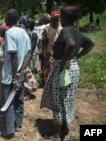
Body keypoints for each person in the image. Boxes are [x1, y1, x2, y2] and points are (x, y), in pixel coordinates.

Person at [40, 6, 94, 141]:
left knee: (58, 100)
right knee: (67, 98)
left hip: (63, 69)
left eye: (61, 17)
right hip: (73, 68)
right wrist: (76, 57)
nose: (60, 20)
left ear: (66, 18)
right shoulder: (77, 32)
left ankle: (56, 134)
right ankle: (63, 126)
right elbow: (90, 45)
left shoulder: (66, 31)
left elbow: (70, 44)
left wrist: (64, 61)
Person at [0, 9, 31, 138]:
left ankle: (10, 130)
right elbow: (29, 53)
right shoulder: (23, 32)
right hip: (20, 73)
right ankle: (17, 125)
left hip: (9, 75)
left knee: (9, 102)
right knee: (19, 100)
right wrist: (21, 71)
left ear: (7, 18)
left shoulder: (9, 33)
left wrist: (14, 76)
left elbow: (13, 57)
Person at [42, 10, 63, 83]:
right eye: (54, 18)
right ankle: (48, 82)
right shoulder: (47, 27)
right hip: (49, 50)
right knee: (48, 66)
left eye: (57, 18)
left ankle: (57, 81)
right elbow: (45, 40)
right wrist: (43, 50)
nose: (55, 20)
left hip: (60, 50)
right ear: (51, 18)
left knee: (58, 66)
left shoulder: (62, 26)